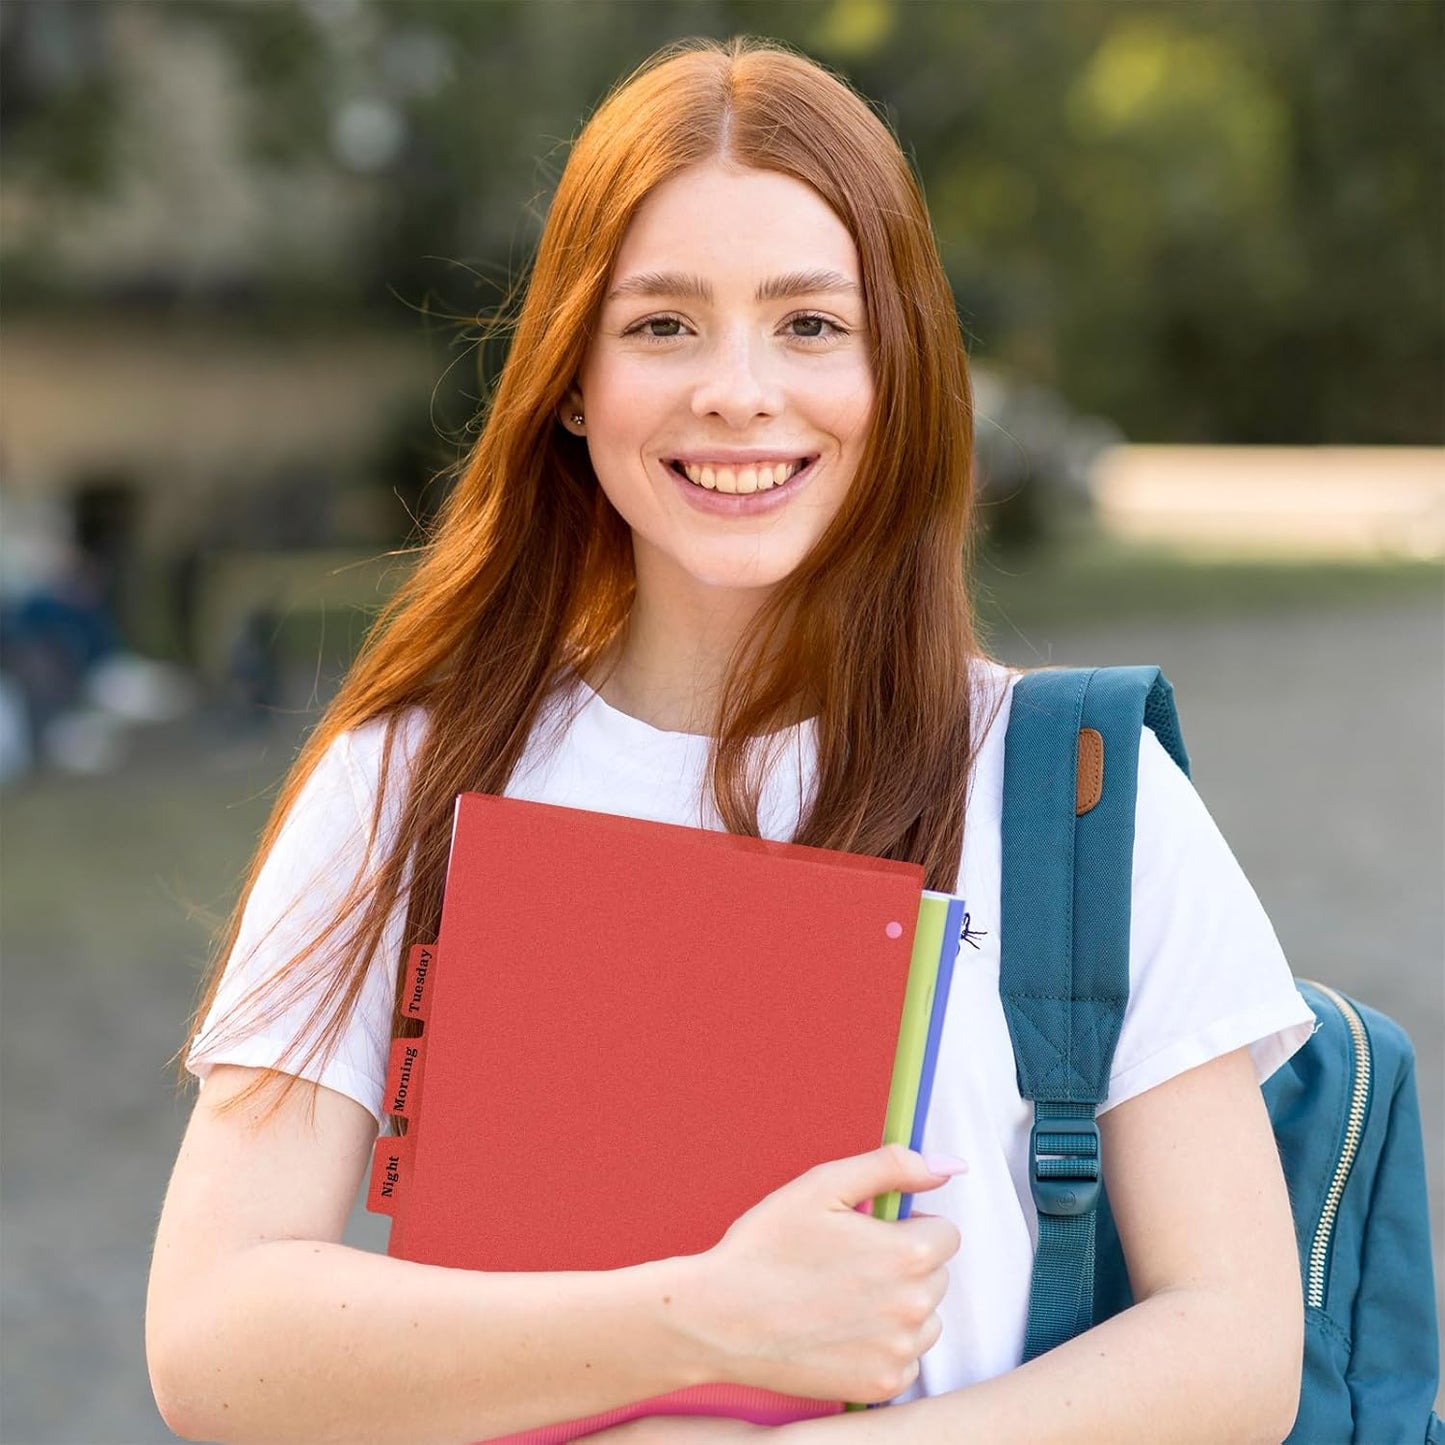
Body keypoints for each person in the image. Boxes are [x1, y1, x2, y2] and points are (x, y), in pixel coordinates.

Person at [146, 36, 1315, 1445]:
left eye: (810, 324)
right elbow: (210, 1339)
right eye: (662, 325)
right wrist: (699, 1315)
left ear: (900, 373)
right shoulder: (412, 778)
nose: (738, 390)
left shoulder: (1068, 791)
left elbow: (1234, 1348)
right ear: (570, 380)